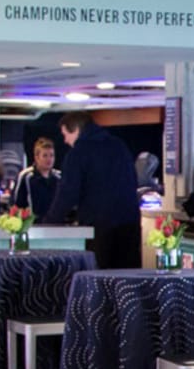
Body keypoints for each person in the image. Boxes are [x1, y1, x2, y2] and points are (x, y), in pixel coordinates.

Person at [57, 111, 139, 268]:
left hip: (98, 227)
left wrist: (50, 222)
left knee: (98, 279)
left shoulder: (78, 153)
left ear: (75, 130)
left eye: (65, 134)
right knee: (126, 280)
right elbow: (134, 180)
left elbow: (67, 194)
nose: (66, 141)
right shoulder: (119, 145)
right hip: (129, 224)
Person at [10, 137, 64, 220]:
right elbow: (16, 205)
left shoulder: (59, 177)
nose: (49, 159)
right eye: (45, 156)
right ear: (36, 157)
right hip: (32, 225)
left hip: (56, 224)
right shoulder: (26, 177)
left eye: (52, 155)